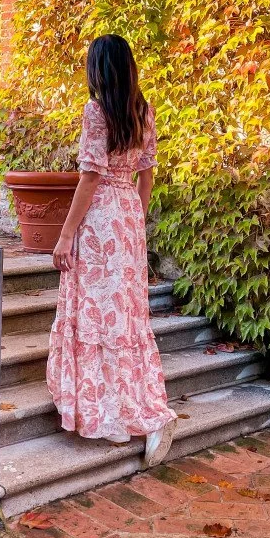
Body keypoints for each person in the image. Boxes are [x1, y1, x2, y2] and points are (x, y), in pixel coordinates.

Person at [47, 34, 178, 468]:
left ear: (98, 69)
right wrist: (134, 221)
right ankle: (124, 413)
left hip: (100, 217)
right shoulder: (143, 110)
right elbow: (146, 175)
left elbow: (90, 178)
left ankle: (112, 415)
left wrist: (66, 234)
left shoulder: (96, 110)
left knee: (95, 312)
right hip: (127, 218)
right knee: (123, 316)